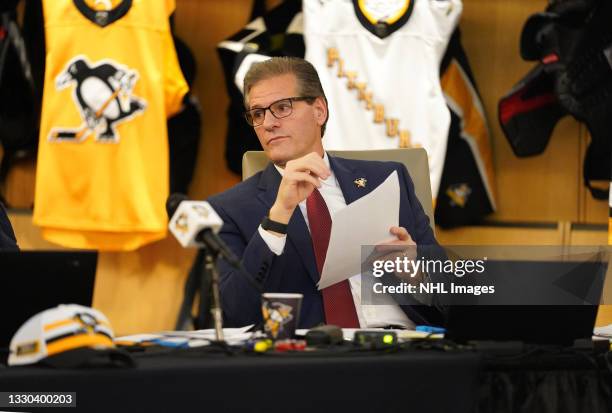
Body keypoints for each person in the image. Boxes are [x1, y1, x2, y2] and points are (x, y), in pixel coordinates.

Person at [208, 57, 442, 329]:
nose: (268, 123)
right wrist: (277, 219)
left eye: (282, 108)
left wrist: (415, 274)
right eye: (258, 114)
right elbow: (232, 315)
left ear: (319, 110)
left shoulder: (388, 179)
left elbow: (455, 294)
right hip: (312, 357)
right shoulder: (230, 209)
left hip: (407, 346)